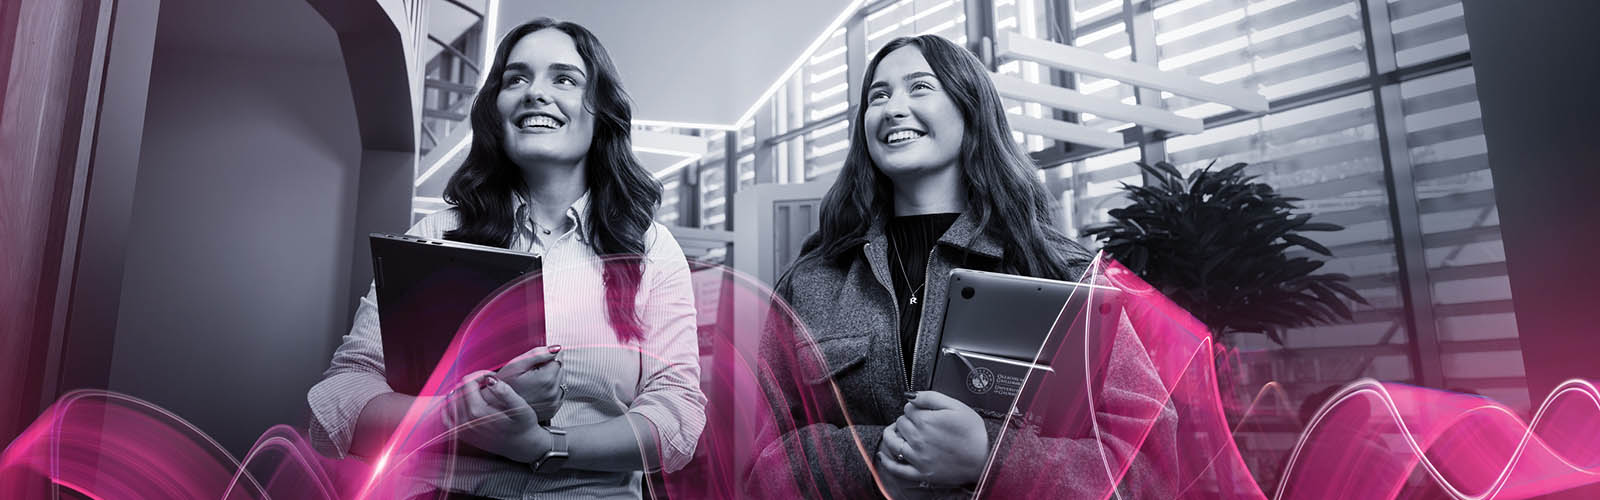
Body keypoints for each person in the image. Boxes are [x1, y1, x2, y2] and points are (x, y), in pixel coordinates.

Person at [748, 34, 1176, 498]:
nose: (893, 109)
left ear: (971, 110)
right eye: (878, 96)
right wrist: (874, 459)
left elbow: (1150, 465)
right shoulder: (813, 280)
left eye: (920, 87)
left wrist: (991, 457)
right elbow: (758, 463)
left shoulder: (1061, 270)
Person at [306, 18, 705, 499]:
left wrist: (545, 445)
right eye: (516, 79)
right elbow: (340, 400)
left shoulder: (650, 249)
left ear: (600, 110)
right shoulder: (435, 235)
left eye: (564, 79)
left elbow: (678, 416)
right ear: (496, 109)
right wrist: (458, 414)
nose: (535, 93)